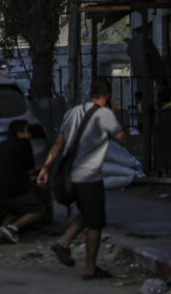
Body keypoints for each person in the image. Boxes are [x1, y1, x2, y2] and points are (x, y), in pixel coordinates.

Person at [37, 78, 129, 280]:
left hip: (70, 177)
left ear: (89, 94)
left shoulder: (71, 113)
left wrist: (45, 168)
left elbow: (58, 144)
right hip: (89, 176)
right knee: (95, 222)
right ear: (107, 97)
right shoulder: (105, 114)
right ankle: (90, 268)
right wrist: (113, 113)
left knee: (88, 213)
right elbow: (123, 139)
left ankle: (64, 241)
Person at [0, 119, 46, 244]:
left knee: (14, 208)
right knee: (37, 209)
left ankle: (1, 230)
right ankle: (12, 229)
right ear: (20, 134)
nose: (30, 135)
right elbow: (30, 171)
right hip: (11, 189)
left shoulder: (0, 145)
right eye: (27, 132)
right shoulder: (24, 143)